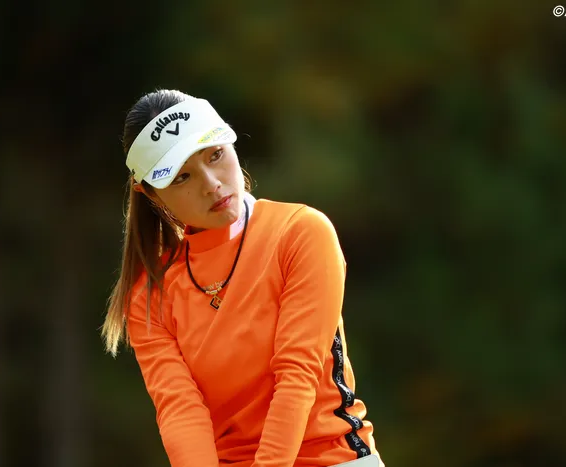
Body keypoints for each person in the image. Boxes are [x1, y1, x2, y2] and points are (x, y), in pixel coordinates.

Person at [101, 89, 384, 467]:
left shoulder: (300, 232)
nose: (211, 183)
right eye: (182, 177)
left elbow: (296, 377)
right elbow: (181, 412)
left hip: (332, 458)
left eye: (215, 155)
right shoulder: (149, 294)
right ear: (151, 195)